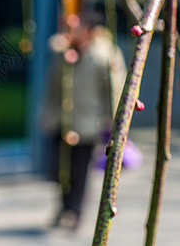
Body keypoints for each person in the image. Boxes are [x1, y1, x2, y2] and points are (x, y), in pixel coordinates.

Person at [40, 15, 126, 230]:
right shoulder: (63, 51)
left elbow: (113, 91)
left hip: (87, 123)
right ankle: (63, 206)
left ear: (89, 30)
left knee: (79, 171)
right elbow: (52, 85)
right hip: (62, 120)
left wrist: (115, 123)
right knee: (60, 169)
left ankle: (75, 211)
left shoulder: (103, 55)